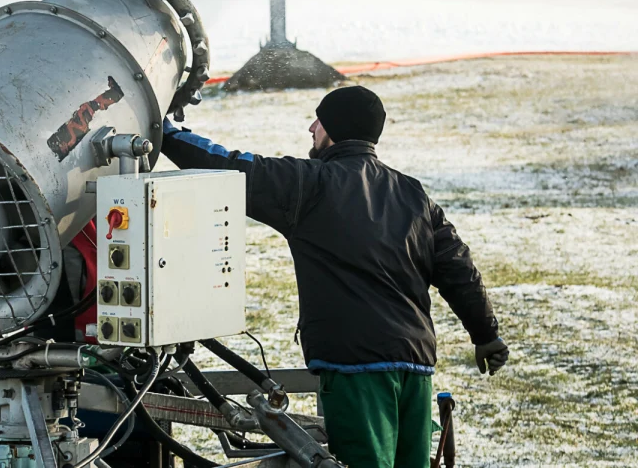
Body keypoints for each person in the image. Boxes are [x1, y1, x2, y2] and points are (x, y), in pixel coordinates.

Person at [160, 85, 508, 468]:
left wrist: (164, 133)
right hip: (415, 367)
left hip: (356, 368)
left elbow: (228, 165)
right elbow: (459, 267)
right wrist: (486, 334)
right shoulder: (413, 195)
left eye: (319, 121)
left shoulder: (309, 184)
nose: (311, 128)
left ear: (336, 129)